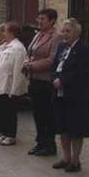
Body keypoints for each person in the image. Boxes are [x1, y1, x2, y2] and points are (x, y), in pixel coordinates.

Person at [51, 19, 89, 172]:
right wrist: (54, 78)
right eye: (63, 31)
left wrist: (63, 80)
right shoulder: (62, 47)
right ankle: (66, 157)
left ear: (77, 32)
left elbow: (82, 71)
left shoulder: (85, 48)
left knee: (75, 128)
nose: (64, 34)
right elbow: (55, 64)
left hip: (77, 95)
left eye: (68, 31)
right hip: (60, 93)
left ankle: (75, 161)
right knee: (63, 127)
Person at [23, 9, 63, 157]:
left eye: (43, 19)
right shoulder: (38, 35)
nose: (39, 22)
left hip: (46, 81)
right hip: (34, 79)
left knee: (47, 114)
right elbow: (30, 53)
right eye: (38, 18)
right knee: (37, 113)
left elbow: (53, 59)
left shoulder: (56, 37)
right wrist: (27, 62)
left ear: (52, 21)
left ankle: (49, 145)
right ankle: (40, 142)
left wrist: (33, 65)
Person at [0, 22, 29, 146]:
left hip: (10, 85)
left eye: (4, 31)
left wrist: (15, 89)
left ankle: (11, 135)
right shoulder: (4, 46)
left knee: (10, 111)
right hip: (0, 83)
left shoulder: (18, 48)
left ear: (11, 33)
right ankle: (3, 132)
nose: (2, 33)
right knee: (2, 110)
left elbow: (18, 70)